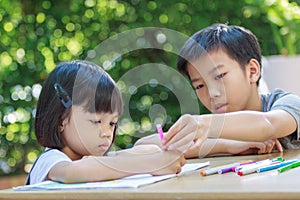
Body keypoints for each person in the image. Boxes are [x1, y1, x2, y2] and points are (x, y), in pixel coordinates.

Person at [136, 23, 300, 158]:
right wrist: (227, 144)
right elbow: (143, 146)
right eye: (199, 86)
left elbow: (269, 124)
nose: (212, 93)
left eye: (219, 76)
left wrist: (203, 125)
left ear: (252, 71)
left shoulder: (286, 103)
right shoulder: (212, 128)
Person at [26, 60, 185, 185]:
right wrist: (151, 164)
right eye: (96, 121)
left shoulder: (87, 157)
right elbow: (71, 172)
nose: (107, 132)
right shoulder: (51, 160)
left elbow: (147, 150)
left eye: (112, 123)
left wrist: (156, 155)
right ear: (61, 120)